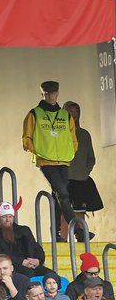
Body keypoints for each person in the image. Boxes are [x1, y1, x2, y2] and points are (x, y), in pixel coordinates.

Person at [22, 81, 78, 237]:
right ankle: (78, 229)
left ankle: (56, 233)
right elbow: (26, 138)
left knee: (58, 196)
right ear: (42, 94)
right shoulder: (34, 114)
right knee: (63, 194)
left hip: (63, 161)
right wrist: (39, 152)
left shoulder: (65, 115)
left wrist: (71, 151)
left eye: (53, 93)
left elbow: (73, 138)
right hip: (46, 161)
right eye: (47, 93)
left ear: (58, 94)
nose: (50, 96)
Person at [64, 101, 103, 234]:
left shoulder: (84, 134)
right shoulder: (60, 133)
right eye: (70, 111)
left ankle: (81, 236)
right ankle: (62, 239)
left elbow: (91, 157)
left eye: (76, 111)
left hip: (81, 178)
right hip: (64, 178)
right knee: (64, 209)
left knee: (80, 209)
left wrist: (86, 171)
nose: (74, 114)